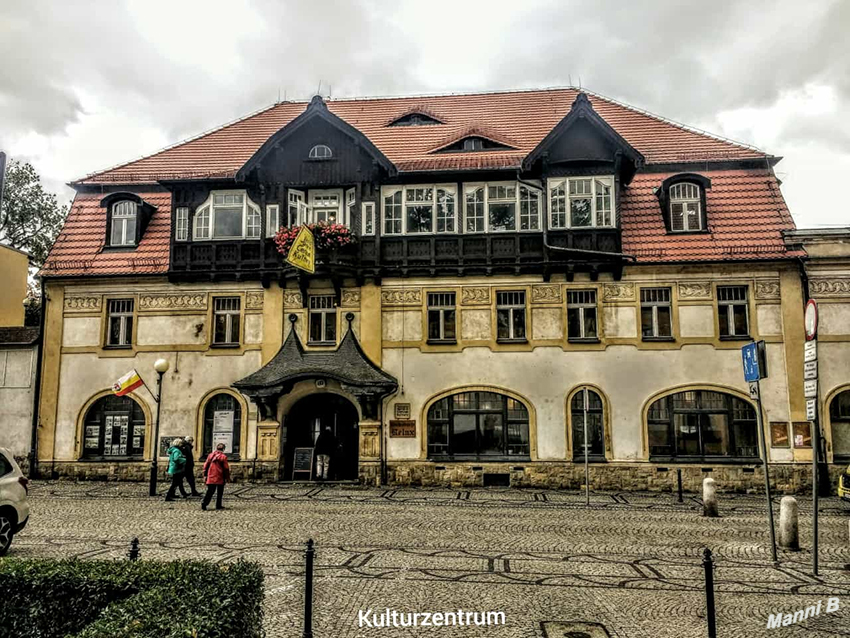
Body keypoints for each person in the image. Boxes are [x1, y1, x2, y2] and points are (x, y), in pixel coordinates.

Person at [202, 443, 231, 511]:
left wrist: (205, 475)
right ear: (223, 449)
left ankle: (204, 503)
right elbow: (226, 468)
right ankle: (218, 505)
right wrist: (227, 477)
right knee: (220, 491)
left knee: (210, 491)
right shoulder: (223, 457)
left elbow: (205, 466)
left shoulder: (210, 455)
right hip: (220, 476)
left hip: (211, 476)